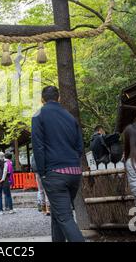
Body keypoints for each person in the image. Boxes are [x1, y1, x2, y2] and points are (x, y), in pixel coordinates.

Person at [31, 86, 84, 242]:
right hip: (74, 172)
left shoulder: (38, 116)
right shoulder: (70, 117)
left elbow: (38, 147)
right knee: (58, 213)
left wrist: (42, 172)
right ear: (59, 98)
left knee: (65, 217)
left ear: (42, 99)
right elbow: (80, 146)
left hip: (54, 174)